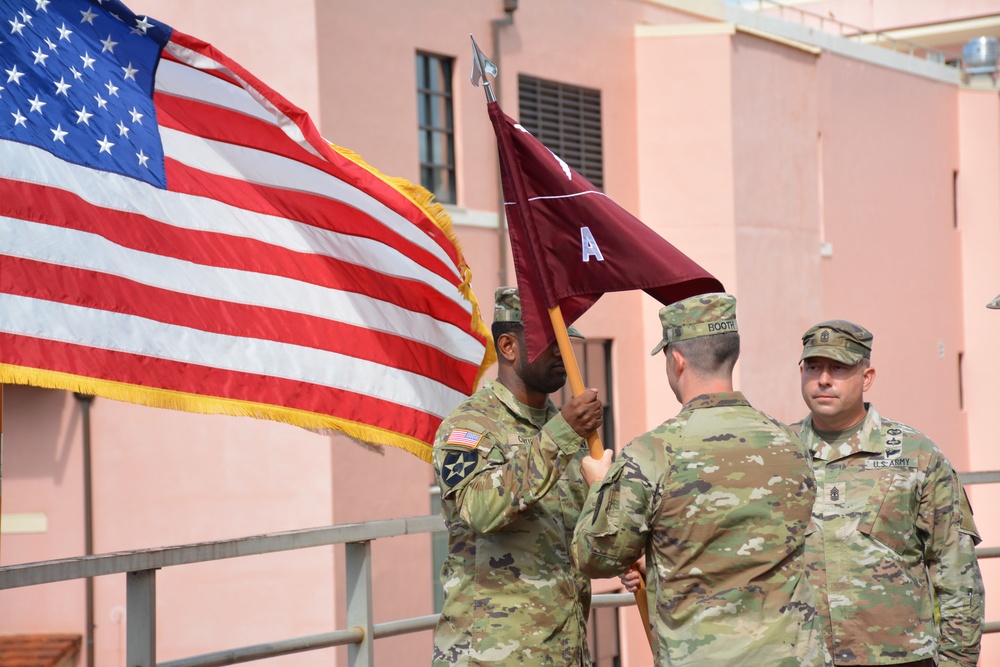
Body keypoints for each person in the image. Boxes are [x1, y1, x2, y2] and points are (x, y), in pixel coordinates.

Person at [571, 293, 828, 666]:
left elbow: (596, 558)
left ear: (676, 361)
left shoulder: (654, 452)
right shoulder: (790, 442)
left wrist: (599, 488)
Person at [794, 320, 984, 667]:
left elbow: (956, 569)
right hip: (802, 657)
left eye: (838, 367)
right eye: (814, 366)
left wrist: (958, 660)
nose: (823, 379)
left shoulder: (915, 454)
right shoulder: (780, 454)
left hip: (898, 658)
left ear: (866, 377)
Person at [431, 287, 604, 666]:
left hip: (564, 651)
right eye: (551, 343)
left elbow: (579, 535)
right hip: (493, 654)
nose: (564, 354)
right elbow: (479, 510)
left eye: (567, 343)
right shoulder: (470, 427)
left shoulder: (567, 429)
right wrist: (562, 435)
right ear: (508, 347)